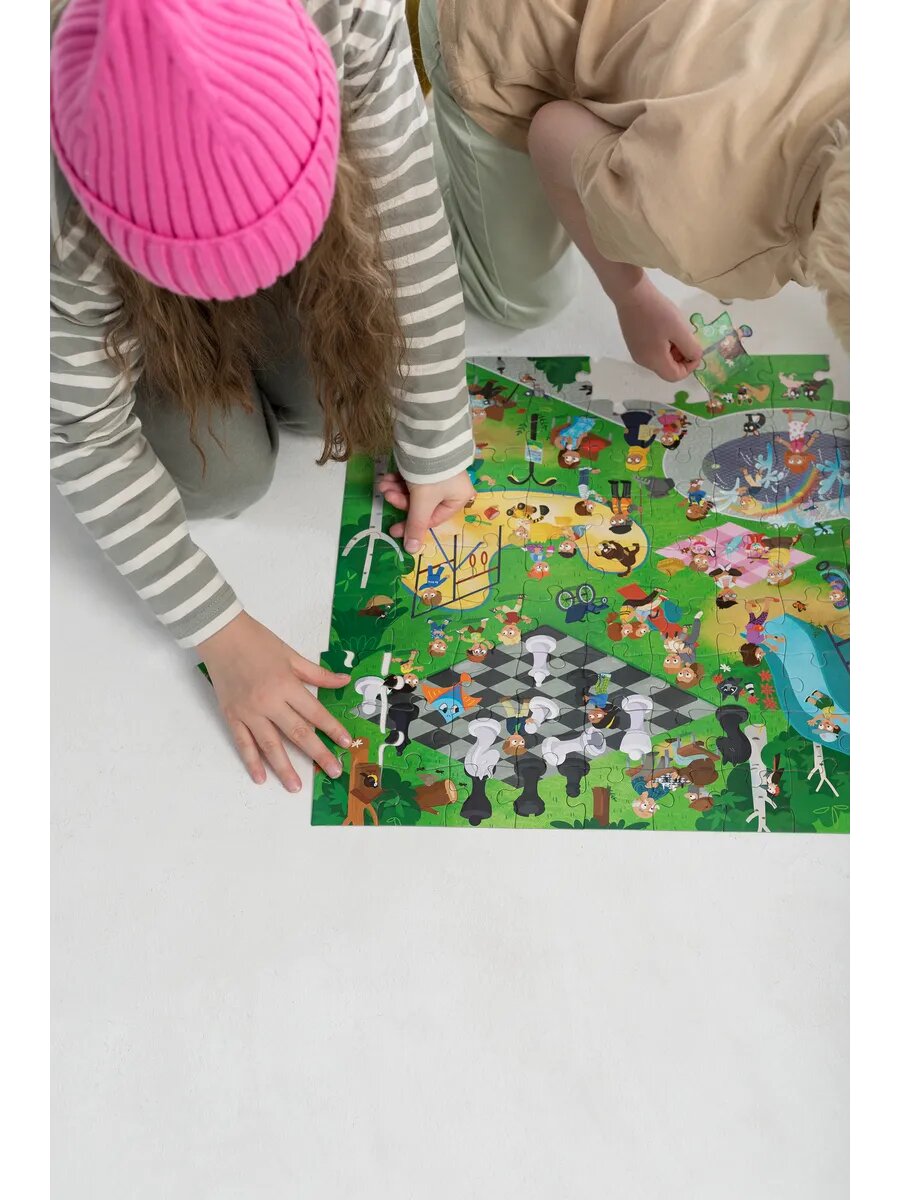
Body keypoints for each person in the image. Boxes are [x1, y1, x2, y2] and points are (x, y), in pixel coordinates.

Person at [50, 0, 475, 791]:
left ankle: (276, 271)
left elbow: (407, 230)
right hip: (140, 309)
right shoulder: (51, 218)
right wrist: (221, 634)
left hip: (291, 219)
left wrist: (440, 442)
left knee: (347, 397)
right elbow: (78, 430)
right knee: (223, 481)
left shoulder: (350, 16)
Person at [418, 0, 850, 378]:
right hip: (486, 27)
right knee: (520, 302)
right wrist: (630, 296)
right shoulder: (709, 230)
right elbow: (552, 133)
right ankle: (409, 145)